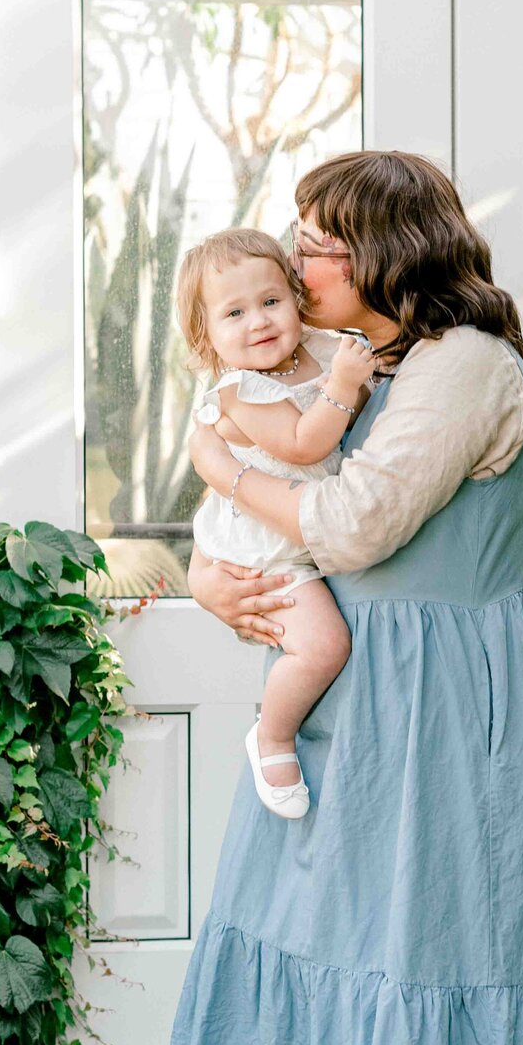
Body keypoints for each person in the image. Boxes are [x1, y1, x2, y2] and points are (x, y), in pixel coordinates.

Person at [133, 151, 523, 1045]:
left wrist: (226, 463)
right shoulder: (338, 360)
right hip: (348, 674)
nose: (298, 261)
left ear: (388, 248)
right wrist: (206, 567)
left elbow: (351, 520)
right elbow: (255, 524)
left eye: (320, 241)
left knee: (442, 933)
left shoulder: (467, 366)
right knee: (267, 909)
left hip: (453, 691)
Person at [175, 227, 379, 817]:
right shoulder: (241, 390)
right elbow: (303, 445)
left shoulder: (318, 346)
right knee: (323, 647)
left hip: (300, 532)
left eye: (270, 301)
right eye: (233, 313)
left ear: (295, 295)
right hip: (266, 552)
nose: (258, 322)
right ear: (206, 334)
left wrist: (347, 372)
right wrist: (343, 383)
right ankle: (272, 737)